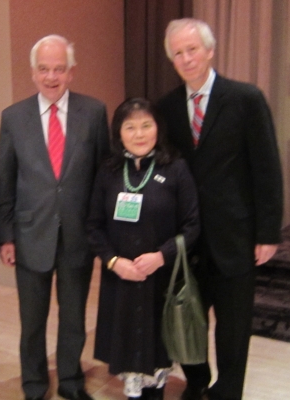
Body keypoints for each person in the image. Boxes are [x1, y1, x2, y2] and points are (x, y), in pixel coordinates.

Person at [157, 18, 283, 400]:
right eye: (177, 53)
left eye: (192, 49)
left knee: (233, 327)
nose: (186, 58)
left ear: (210, 51)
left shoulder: (246, 99)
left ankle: (227, 392)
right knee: (188, 319)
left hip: (235, 236)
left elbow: (266, 168)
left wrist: (267, 232)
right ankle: (196, 383)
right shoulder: (165, 108)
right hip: (185, 239)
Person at [0, 35, 109, 400]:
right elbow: (6, 181)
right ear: (33, 72)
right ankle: (33, 383)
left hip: (78, 235)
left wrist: (101, 233)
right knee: (32, 322)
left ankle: (71, 382)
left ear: (71, 72)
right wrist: (6, 236)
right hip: (30, 235)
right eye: (43, 69)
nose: (51, 76)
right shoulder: (12, 117)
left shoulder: (93, 113)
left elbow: (103, 177)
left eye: (59, 68)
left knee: (74, 319)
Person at [86, 97, 200, 400]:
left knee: (156, 361)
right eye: (130, 127)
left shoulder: (175, 168)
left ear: (158, 128)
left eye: (146, 125)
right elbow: (93, 226)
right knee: (128, 362)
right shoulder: (108, 171)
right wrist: (113, 261)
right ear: (118, 133)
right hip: (119, 282)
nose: (139, 134)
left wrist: (161, 257)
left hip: (160, 282)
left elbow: (192, 227)